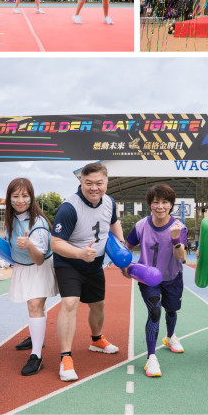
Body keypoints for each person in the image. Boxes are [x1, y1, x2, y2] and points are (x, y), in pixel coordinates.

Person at [49, 162, 124, 382]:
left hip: (94, 264)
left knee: (98, 305)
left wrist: (120, 244)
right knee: (69, 303)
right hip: (69, 262)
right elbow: (55, 243)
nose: (94, 188)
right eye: (88, 183)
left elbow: (114, 222)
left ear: (106, 182)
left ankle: (96, 340)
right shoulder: (69, 208)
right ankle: (65, 357)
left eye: (99, 183)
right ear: (81, 182)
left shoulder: (109, 202)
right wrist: (80, 254)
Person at [125, 183, 188, 378]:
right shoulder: (140, 226)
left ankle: (169, 337)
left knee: (171, 310)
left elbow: (181, 258)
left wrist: (175, 239)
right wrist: (124, 265)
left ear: (171, 205)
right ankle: (151, 357)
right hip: (148, 278)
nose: (160, 206)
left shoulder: (179, 227)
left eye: (165, 202)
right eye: (156, 202)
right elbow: (127, 246)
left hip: (172, 277)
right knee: (154, 311)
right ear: (149, 205)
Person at [3, 178, 58, 376]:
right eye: (15, 196)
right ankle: (37, 338)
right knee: (37, 306)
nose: (20, 200)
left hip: (39, 266)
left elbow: (39, 259)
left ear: (31, 198)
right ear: (9, 198)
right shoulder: (11, 218)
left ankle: (36, 356)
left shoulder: (39, 224)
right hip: (23, 266)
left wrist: (29, 246)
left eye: (25, 196)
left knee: (34, 305)